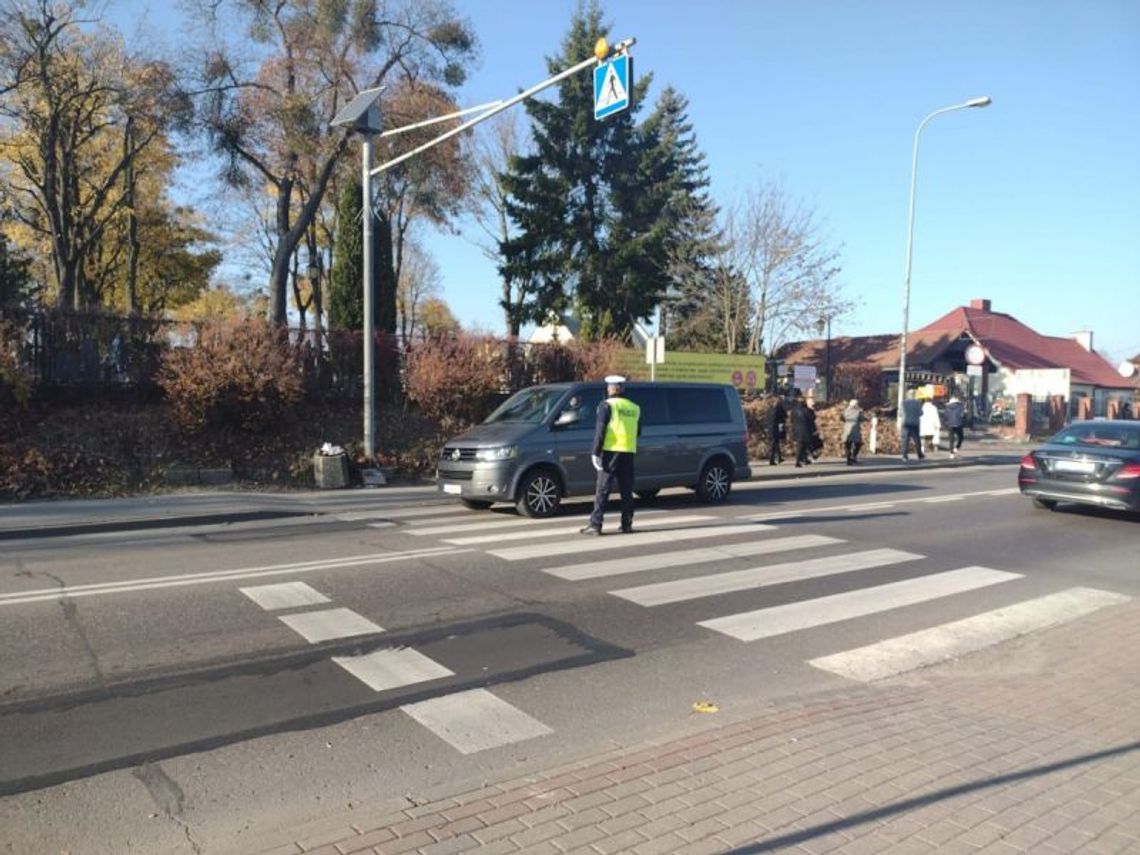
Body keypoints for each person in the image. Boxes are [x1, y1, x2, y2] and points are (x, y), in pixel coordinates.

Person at [580, 375, 641, 535]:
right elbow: (638, 431)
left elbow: (600, 430)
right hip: (628, 452)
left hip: (610, 452)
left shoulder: (606, 405)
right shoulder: (635, 407)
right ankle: (626, 524)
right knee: (626, 491)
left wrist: (595, 452)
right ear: (622, 389)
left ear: (612, 388)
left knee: (603, 489)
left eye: (609, 387)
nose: (608, 389)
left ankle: (596, 524)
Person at [790, 392, 815, 467]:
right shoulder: (806, 410)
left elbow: (791, 420)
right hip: (805, 430)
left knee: (801, 445)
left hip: (796, 430)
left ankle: (804, 459)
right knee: (802, 446)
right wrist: (812, 410)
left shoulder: (794, 410)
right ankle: (798, 461)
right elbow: (812, 418)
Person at [900, 390, 924, 461]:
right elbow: (921, 413)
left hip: (906, 423)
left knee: (905, 440)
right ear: (914, 395)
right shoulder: (918, 403)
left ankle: (904, 455)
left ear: (907, 395)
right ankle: (920, 455)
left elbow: (900, 413)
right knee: (917, 440)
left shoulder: (903, 403)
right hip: (915, 423)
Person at [766, 392, 787, 465]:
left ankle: (779, 457)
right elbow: (785, 415)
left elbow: (767, 419)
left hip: (770, 428)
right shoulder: (778, 409)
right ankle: (771, 460)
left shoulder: (769, 409)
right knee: (774, 444)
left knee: (776, 443)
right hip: (775, 428)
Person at [842, 399, 864, 465]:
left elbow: (841, 418)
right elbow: (862, 419)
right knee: (858, 444)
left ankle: (848, 459)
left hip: (846, 430)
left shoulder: (845, 411)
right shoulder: (858, 412)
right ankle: (854, 456)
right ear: (856, 405)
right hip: (855, 430)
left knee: (847, 445)